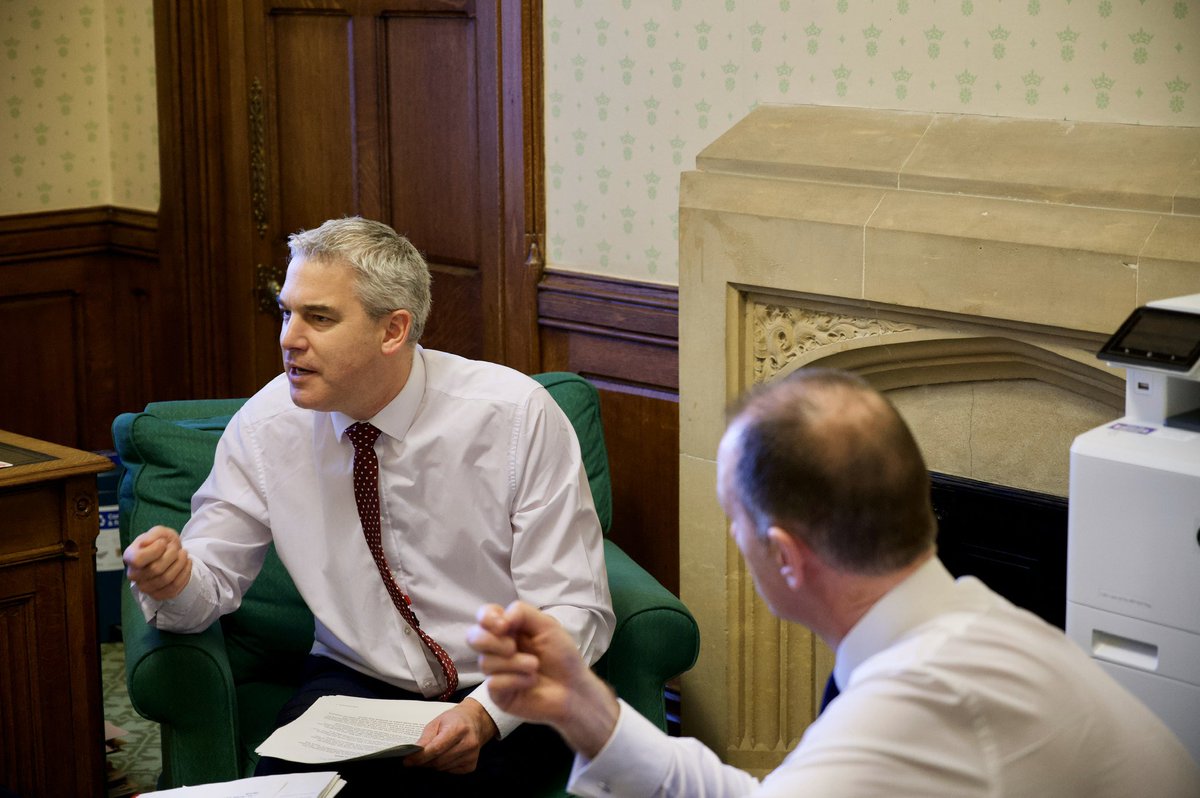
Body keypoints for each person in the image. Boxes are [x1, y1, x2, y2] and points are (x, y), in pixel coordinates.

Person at [468, 368, 1200, 797]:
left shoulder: (923, 697)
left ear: (785, 555)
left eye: (735, 519)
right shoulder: (976, 624)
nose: (733, 539)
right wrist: (588, 708)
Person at [123, 216, 615, 795]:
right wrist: (170, 582)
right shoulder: (265, 427)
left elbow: (573, 606)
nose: (288, 338)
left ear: (393, 330)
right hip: (352, 686)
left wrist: (484, 717)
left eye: (319, 318)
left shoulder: (514, 417)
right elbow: (205, 589)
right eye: (286, 312)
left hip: (505, 690)